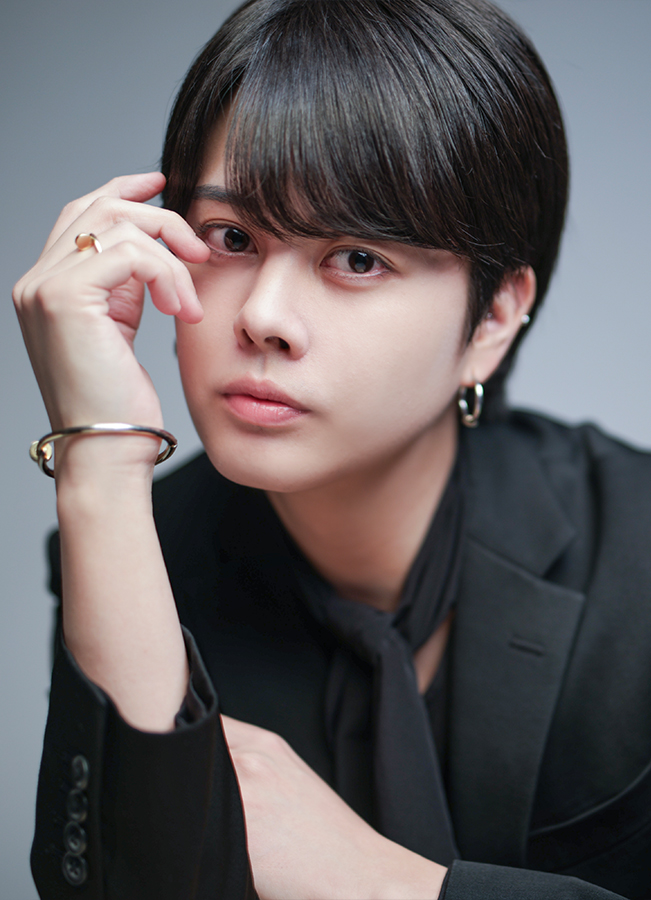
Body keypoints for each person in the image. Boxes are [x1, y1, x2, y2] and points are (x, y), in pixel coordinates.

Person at [13, 0, 651, 897]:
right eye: (232, 238)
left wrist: (385, 882)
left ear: (492, 318)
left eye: (356, 258)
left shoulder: (635, 549)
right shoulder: (139, 551)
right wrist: (98, 461)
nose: (263, 316)